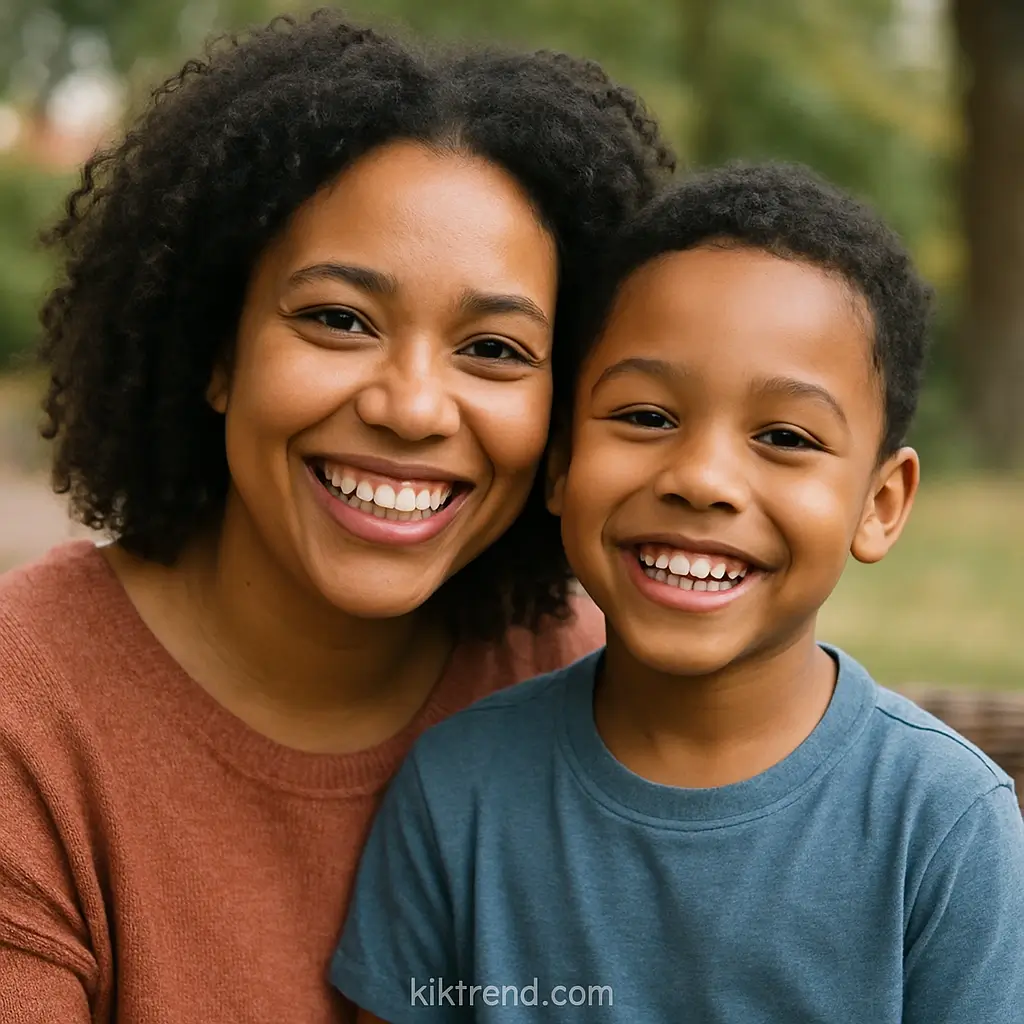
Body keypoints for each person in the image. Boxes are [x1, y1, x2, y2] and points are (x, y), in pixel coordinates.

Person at [0, 10, 676, 1023]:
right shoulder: (26, 717)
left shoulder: (591, 686)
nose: (411, 407)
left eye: (494, 349)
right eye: (338, 320)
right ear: (217, 352)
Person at [332, 163, 1024, 1023]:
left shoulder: (944, 824)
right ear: (561, 462)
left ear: (880, 504)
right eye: (647, 417)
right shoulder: (456, 794)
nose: (700, 479)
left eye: (785, 436)